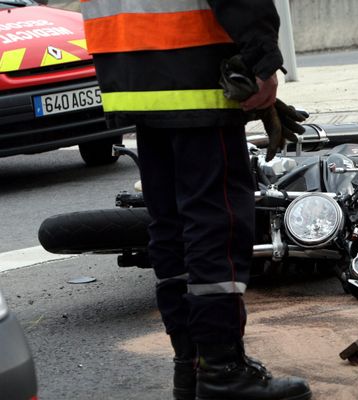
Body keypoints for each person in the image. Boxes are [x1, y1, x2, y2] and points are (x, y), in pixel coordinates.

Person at [79, 1, 311, 400]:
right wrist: (261, 57)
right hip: (192, 64)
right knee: (214, 222)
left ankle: (191, 366)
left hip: (131, 70)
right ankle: (222, 369)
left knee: (170, 225)